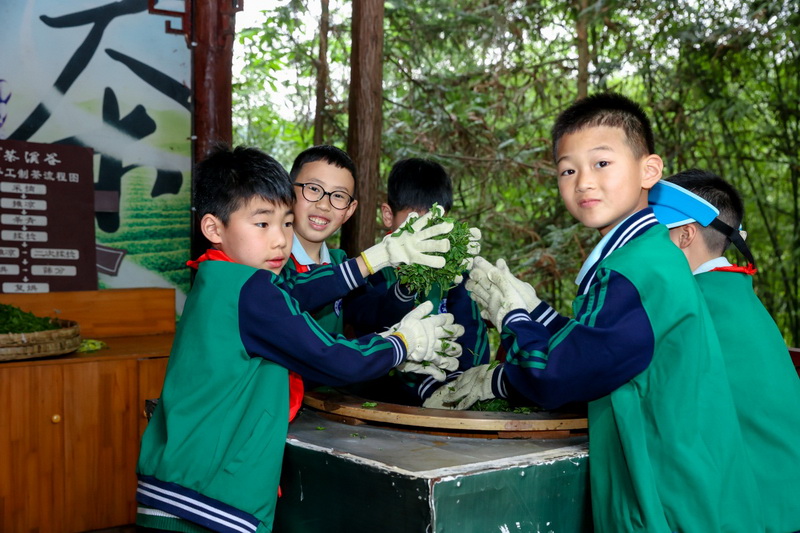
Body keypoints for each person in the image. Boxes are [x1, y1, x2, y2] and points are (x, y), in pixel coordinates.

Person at [425, 93, 763, 531]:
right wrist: (534, 309)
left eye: (602, 163)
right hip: (689, 493)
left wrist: (514, 319)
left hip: (668, 504)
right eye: (568, 170)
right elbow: (601, 347)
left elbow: (558, 377)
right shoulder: (648, 257)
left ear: (649, 171)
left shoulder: (635, 270)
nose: (584, 181)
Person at [135, 145, 465, 533]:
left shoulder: (217, 277)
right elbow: (332, 358)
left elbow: (292, 293)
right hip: (207, 500)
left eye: (286, 223)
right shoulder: (252, 289)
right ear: (213, 228)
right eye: (263, 224)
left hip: (177, 484)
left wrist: (374, 260)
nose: (279, 239)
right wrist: (402, 343)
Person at [650, 169, 800, 533]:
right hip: (785, 504)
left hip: (755, 515)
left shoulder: (687, 307)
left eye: (649, 235)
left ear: (685, 235)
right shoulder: (736, 295)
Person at [344, 157, 489, 404]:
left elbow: (472, 334)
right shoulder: (371, 272)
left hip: (446, 395)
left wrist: (458, 385)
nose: (425, 234)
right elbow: (368, 329)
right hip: (382, 401)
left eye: (435, 224)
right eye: (414, 223)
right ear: (388, 216)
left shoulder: (455, 276)